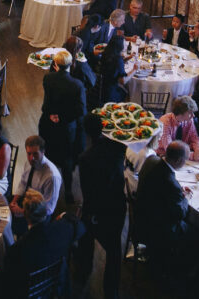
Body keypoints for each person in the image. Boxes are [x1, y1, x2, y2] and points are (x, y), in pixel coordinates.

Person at [72, 114, 126, 299]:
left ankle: (82, 274)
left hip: (96, 209)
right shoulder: (118, 148)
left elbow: (88, 192)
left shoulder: (85, 158)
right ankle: (111, 291)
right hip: (117, 207)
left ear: (86, 132)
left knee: (86, 241)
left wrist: (85, 210)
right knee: (114, 252)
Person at [0, 189, 75, 296]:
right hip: (52, 287)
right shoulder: (62, 232)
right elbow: (77, 224)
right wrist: (63, 216)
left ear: (25, 214)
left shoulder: (17, 250)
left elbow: (8, 284)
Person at [135, 140, 198, 275]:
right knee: (198, 233)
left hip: (141, 214)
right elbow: (179, 213)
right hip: (156, 228)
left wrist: (178, 192)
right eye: (185, 160)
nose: (185, 162)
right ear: (178, 160)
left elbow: (160, 188)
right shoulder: (169, 181)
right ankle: (183, 270)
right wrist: (185, 198)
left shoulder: (152, 159)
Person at [38, 49, 86, 198]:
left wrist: (52, 115)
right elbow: (80, 110)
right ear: (71, 65)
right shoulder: (77, 85)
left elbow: (46, 105)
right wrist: (63, 118)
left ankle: (45, 187)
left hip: (48, 124)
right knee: (67, 158)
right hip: (67, 127)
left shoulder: (48, 79)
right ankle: (69, 192)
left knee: (48, 154)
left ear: (56, 65)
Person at [9, 135, 62, 236]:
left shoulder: (51, 176)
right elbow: (23, 183)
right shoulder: (29, 163)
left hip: (38, 215)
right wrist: (14, 201)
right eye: (28, 154)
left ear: (43, 152)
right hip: (27, 201)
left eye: (35, 154)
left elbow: (48, 208)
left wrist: (22, 212)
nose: (31, 158)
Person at [157, 96, 199, 160]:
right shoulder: (165, 122)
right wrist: (192, 156)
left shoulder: (189, 120)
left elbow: (194, 138)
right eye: (190, 113)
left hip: (182, 154)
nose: (193, 115)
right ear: (181, 113)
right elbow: (170, 150)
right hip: (165, 156)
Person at [98, 34, 128, 103]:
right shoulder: (118, 59)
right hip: (111, 93)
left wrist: (128, 58)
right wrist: (134, 69)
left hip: (101, 88)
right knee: (127, 92)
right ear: (120, 46)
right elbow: (123, 81)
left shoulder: (106, 53)